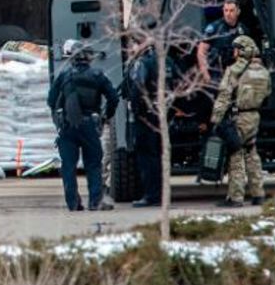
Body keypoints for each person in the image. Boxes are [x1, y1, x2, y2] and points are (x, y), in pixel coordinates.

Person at [48, 39, 120, 212]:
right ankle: (95, 202)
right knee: (93, 165)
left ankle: (72, 203)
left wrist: (59, 117)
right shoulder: (98, 75)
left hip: (67, 126)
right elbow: (114, 98)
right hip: (90, 124)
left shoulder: (64, 76)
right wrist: (106, 116)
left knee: (68, 166)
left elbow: (51, 100)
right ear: (88, 58)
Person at [209, 35, 271, 208]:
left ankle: (236, 197)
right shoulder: (263, 71)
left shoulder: (235, 70)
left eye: (237, 48)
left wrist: (216, 120)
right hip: (254, 116)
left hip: (239, 117)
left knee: (236, 155)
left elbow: (223, 96)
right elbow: (267, 93)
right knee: (252, 153)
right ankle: (258, 193)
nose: (234, 52)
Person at [125, 46, 179, 208]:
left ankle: (151, 195)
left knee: (147, 157)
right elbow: (177, 87)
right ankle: (162, 194)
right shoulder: (169, 62)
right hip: (163, 115)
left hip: (147, 116)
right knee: (160, 155)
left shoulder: (143, 63)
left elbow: (138, 88)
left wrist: (137, 112)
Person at [197, 0, 247, 86]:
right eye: (226, 10)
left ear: (238, 12)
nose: (228, 14)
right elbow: (201, 52)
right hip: (216, 72)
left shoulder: (242, 29)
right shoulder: (214, 28)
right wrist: (205, 73)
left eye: (231, 10)